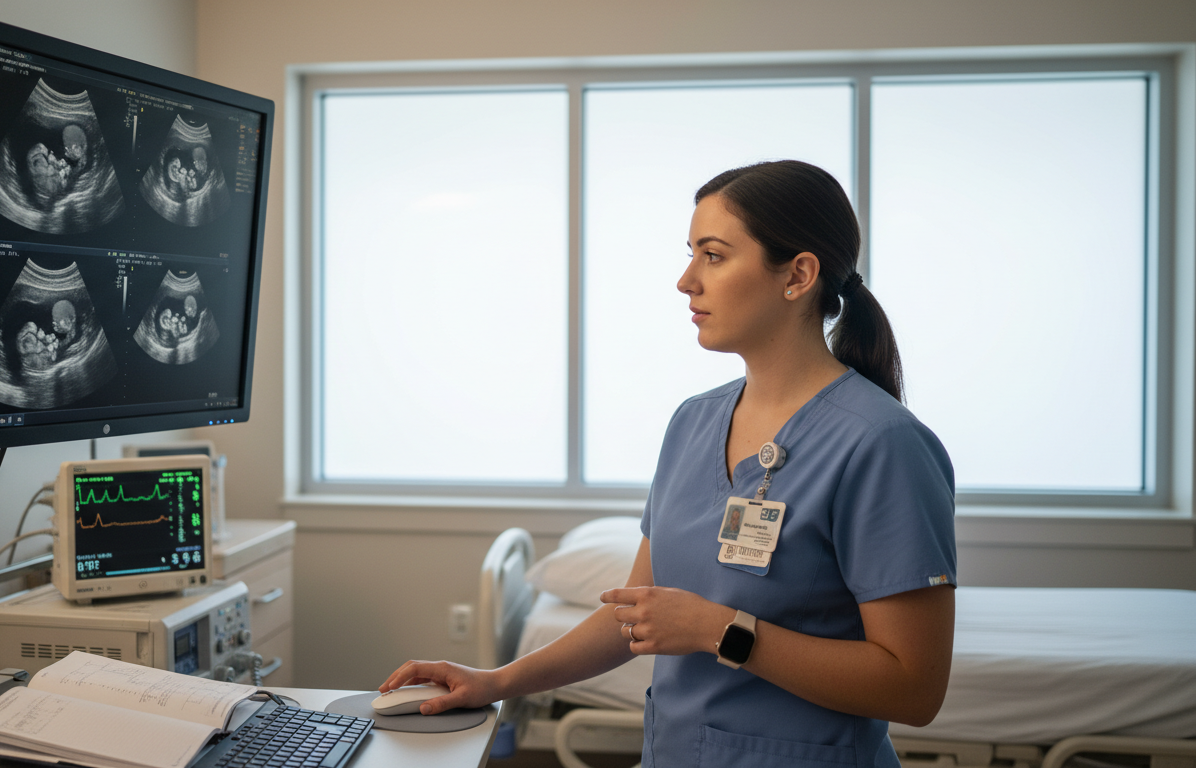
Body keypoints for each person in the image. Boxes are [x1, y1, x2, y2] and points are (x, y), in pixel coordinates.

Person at [380, 160, 956, 768]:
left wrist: (720, 630)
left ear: (798, 275)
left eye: (713, 255)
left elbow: (913, 689)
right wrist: (496, 682)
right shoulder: (693, 423)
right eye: (691, 254)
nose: (686, 281)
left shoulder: (882, 444)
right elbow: (637, 614)